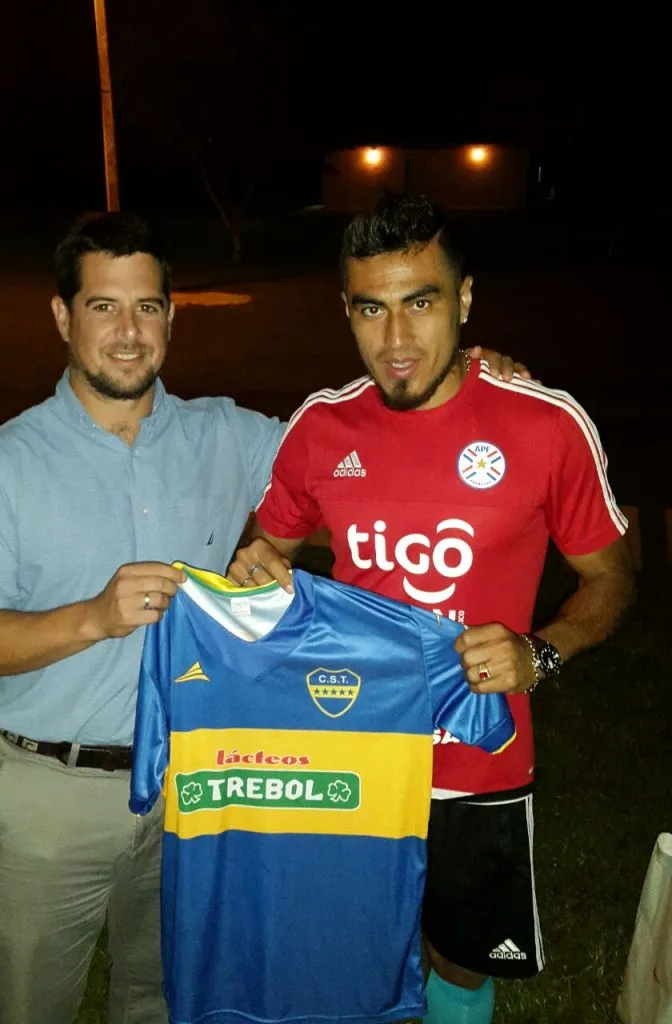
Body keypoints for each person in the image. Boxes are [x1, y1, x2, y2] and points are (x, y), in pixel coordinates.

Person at [0, 210, 522, 1024]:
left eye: (148, 307)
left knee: (164, 998)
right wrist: (95, 618)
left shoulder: (226, 435)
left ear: (172, 317)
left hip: (200, 787)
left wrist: (471, 378)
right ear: (64, 317)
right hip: (52, 795)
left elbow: (367, 452)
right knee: (32, 1005)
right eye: (104, 307)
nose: (129, 332)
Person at [228, 193, 636, 1024]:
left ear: (467, 300)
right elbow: (266, 550)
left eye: (422, 302)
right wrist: (257, 577)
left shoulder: (546, 426)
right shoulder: (322, 426)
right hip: (345, 750)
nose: (398, 340)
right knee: (347, 944)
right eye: (371, 309)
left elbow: (613, 580)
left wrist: (541, 652)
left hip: (475, 760)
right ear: (346, 310)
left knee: (457, 955)